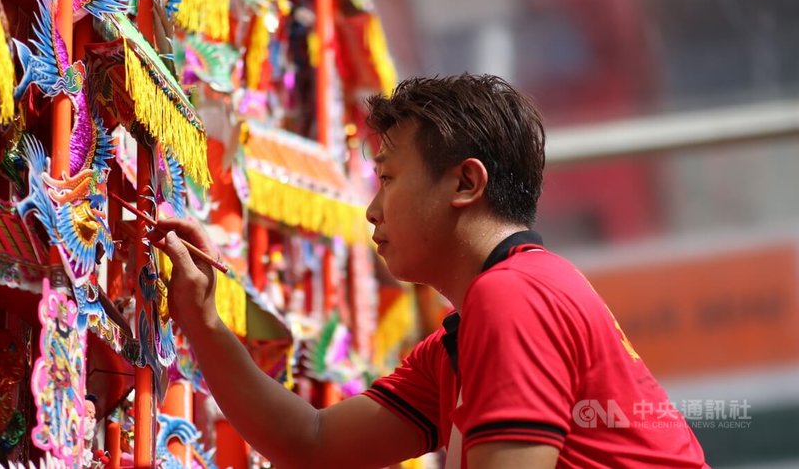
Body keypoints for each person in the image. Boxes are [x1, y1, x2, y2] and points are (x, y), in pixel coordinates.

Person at [156, 74, 708, 468]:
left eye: (389, 178)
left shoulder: (513, 296)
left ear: (466, 184)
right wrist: (203, 321)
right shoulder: (474, 329)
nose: (372, 209)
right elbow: (313, 441)